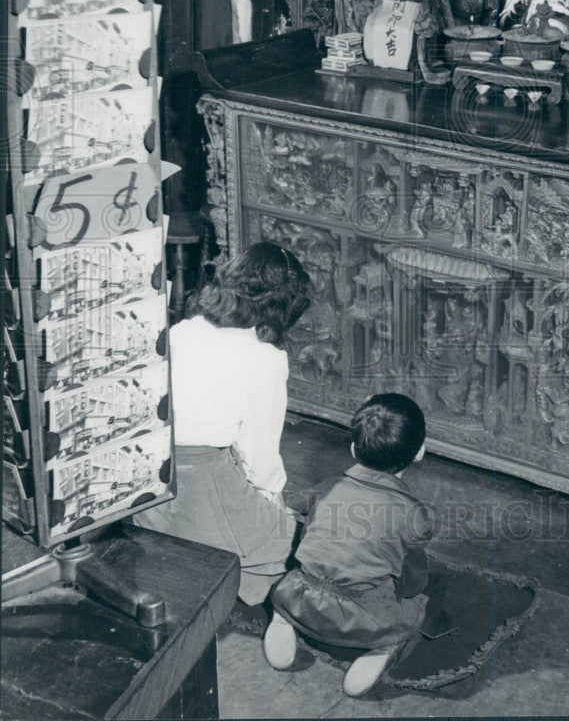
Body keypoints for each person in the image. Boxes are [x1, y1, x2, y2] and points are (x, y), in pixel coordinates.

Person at [131, 241, 311, 605]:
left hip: (148, 481)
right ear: (282, 306)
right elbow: (260, 458)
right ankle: (274, 606)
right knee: (296, 544)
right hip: (201, 484)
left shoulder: (185, 330)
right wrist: (272, 505)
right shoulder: (266, 359)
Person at [264, 393, 448, 696]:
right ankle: (382, 650)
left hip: (302, 599)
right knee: (417, 605)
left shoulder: (326, 487)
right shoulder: (414, 514)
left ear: (353, 448)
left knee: (294, 582)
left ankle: (284, 619)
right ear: (420, 452)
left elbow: (309, 542)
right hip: (364, 620)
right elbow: (412, 579)